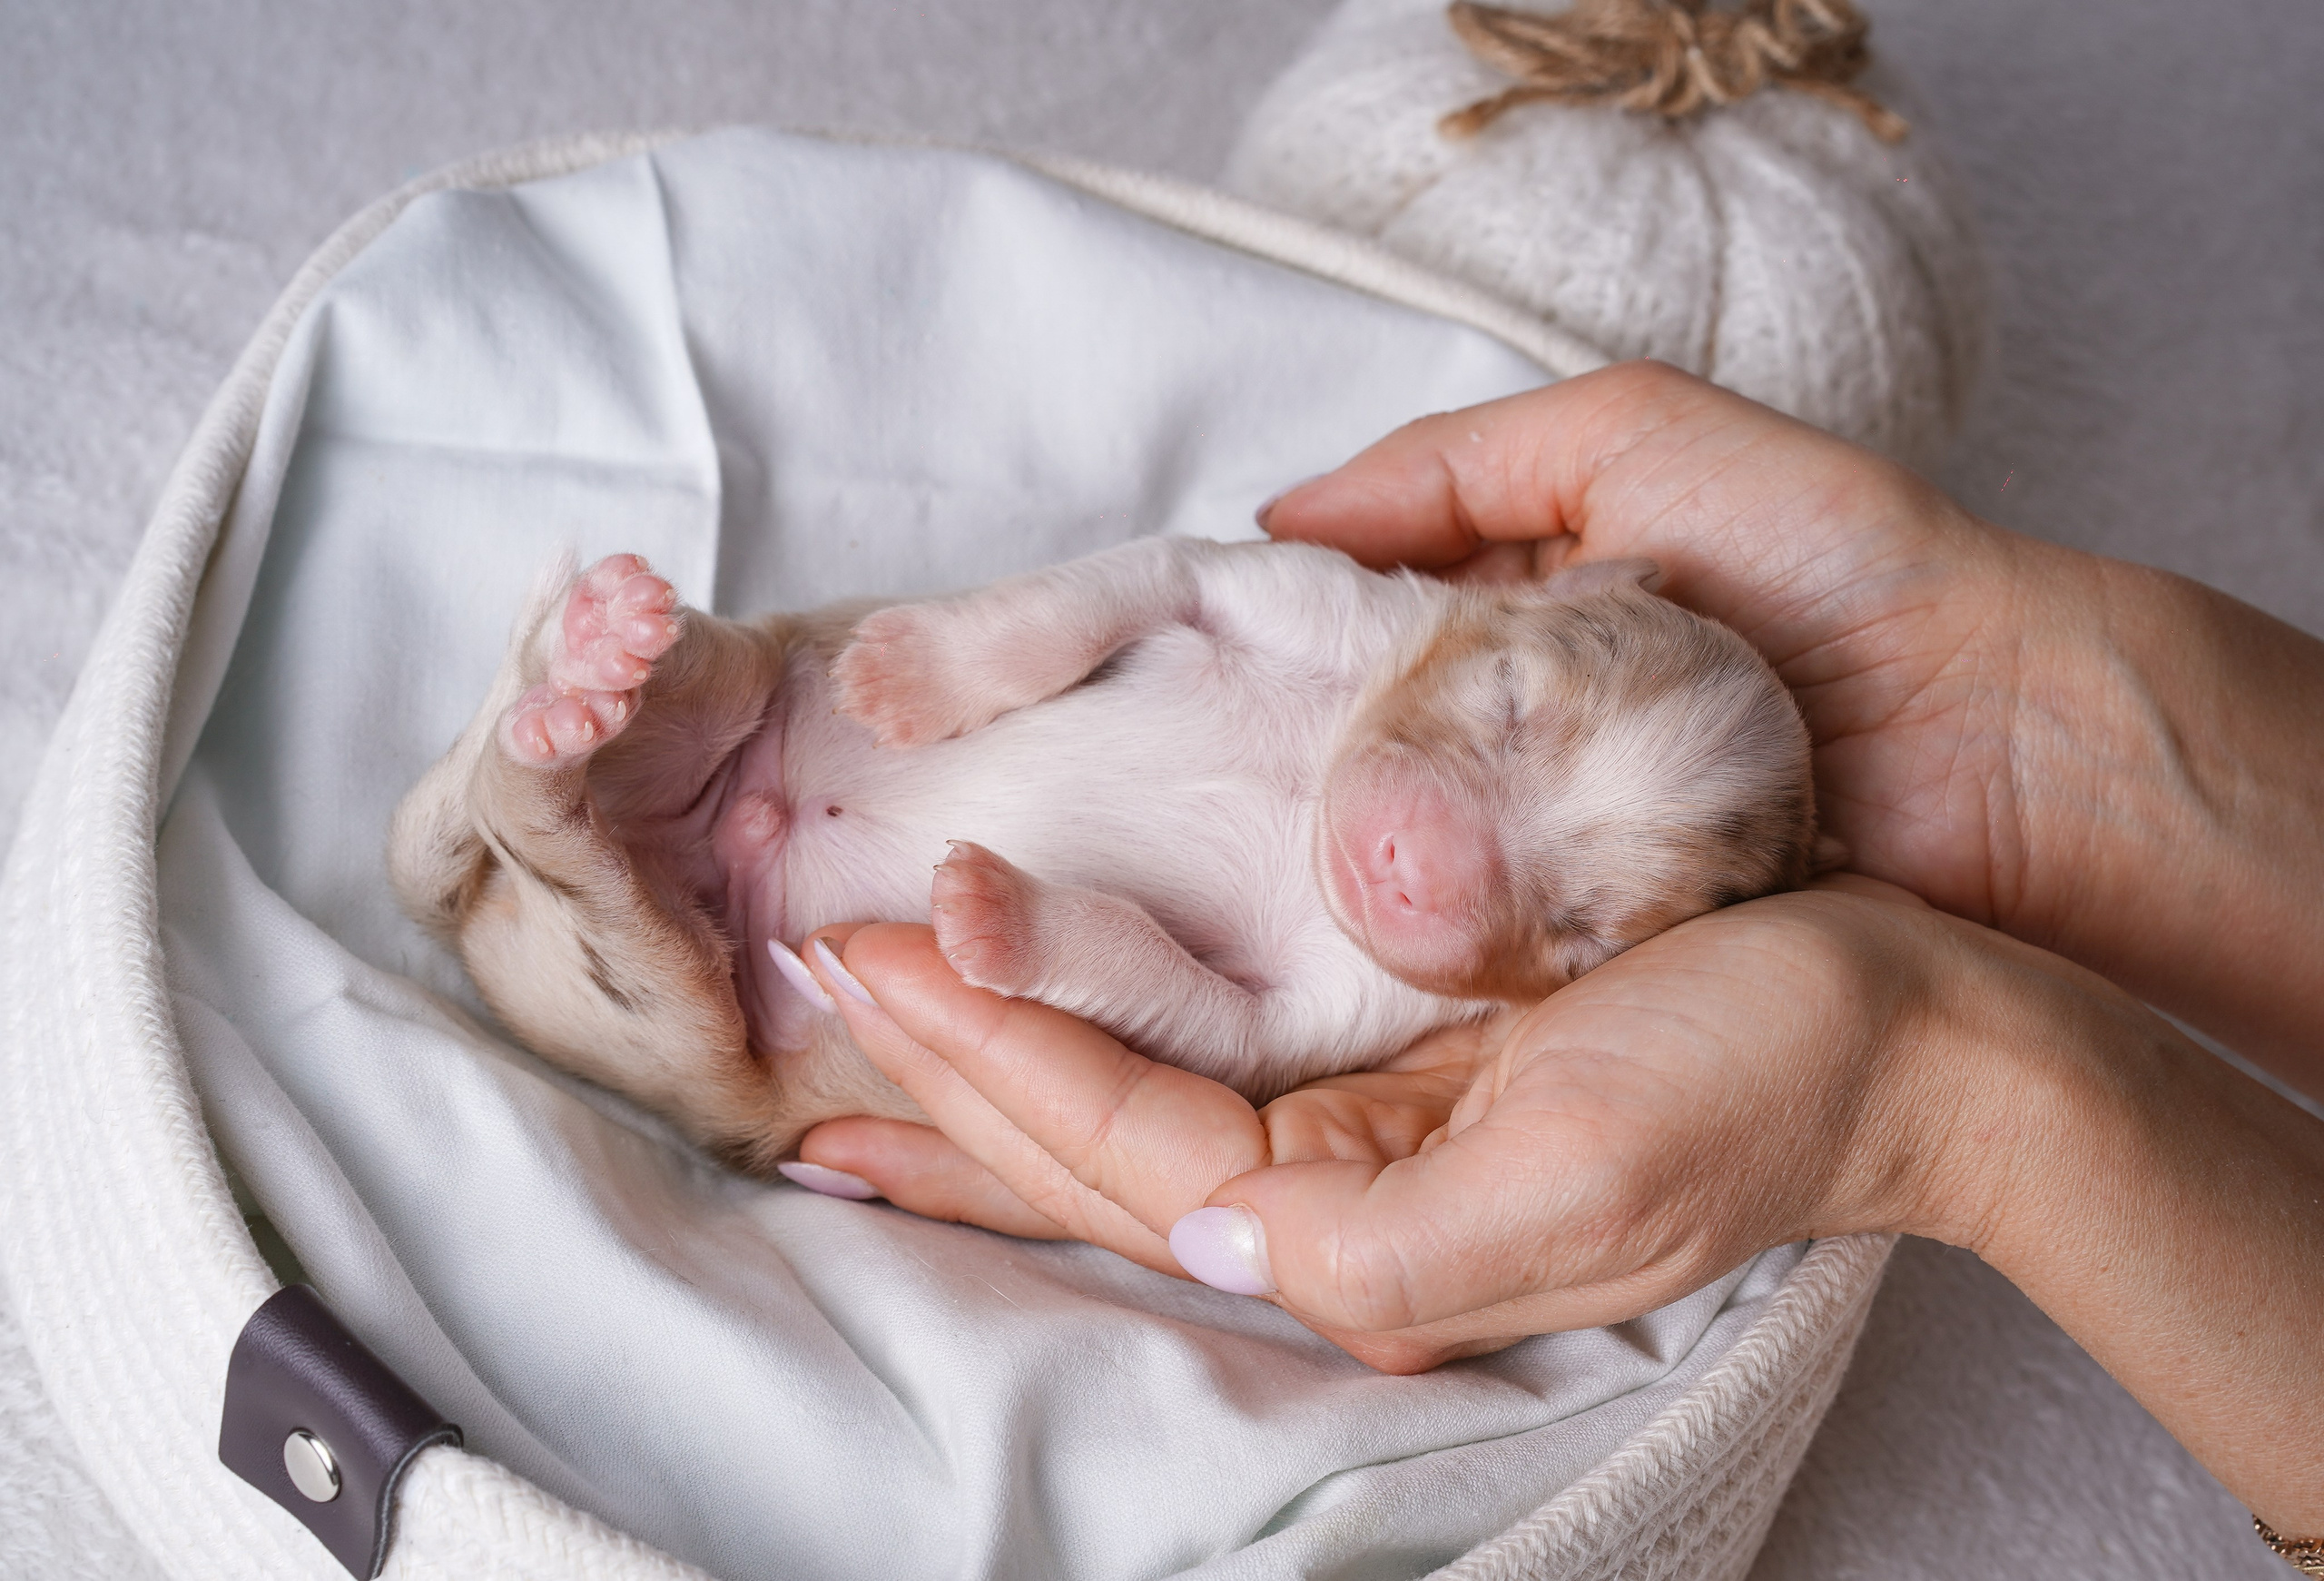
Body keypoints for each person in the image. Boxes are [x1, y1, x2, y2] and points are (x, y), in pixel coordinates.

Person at [783, 363, 2324, 1546]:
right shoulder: (1383, 627)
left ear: (1595, 974)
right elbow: (1185, 575)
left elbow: (1248, 1028)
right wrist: (997, 644)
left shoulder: (1403, 992)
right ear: (1571, 596)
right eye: (1511, 718)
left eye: (1578, 923)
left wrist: (1069, 944)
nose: (1441, 862)